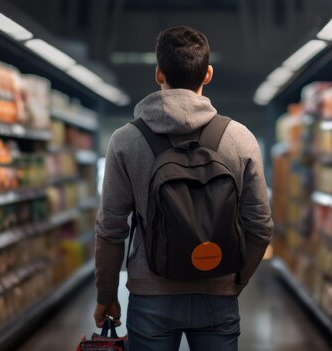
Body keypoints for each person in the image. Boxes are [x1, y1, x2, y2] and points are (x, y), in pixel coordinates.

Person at [93, 25, 273, 351]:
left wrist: (106, 295)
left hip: (151, 297)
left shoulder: (125, 141)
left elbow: (110, 230)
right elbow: (260, 227)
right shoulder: (240, 139)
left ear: (159, 73)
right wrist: (235, 281)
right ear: (208, 74)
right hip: (218, 295)